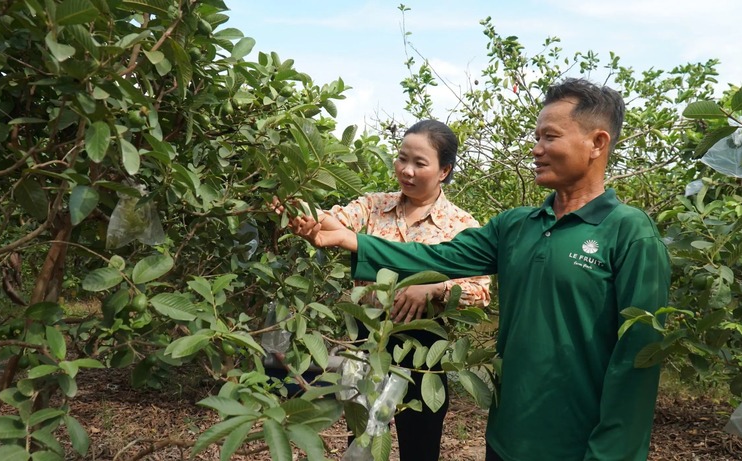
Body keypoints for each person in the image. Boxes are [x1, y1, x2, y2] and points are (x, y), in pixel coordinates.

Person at [287, 79, 671, 461]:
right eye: (536, 137)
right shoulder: (516, 226)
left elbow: (638, 359)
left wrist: (612, 452)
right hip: (506, 436)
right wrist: (352, 240)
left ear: (597, 143)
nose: (536, 150)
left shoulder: (629, 233)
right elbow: (437, 258)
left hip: (579, 443)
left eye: (550, 137)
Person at [309, 120, 491, 460]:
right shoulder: (374, 205)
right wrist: (309, 218)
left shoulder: (462, 225)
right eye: (401, 158)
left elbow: (480, 292)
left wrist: (436, 290)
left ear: (444, 170)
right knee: (361, 443)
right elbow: (336, 220)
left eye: (419, 163)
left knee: (419, 447)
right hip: (368, 342)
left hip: (423, 351)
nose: (406, 171)